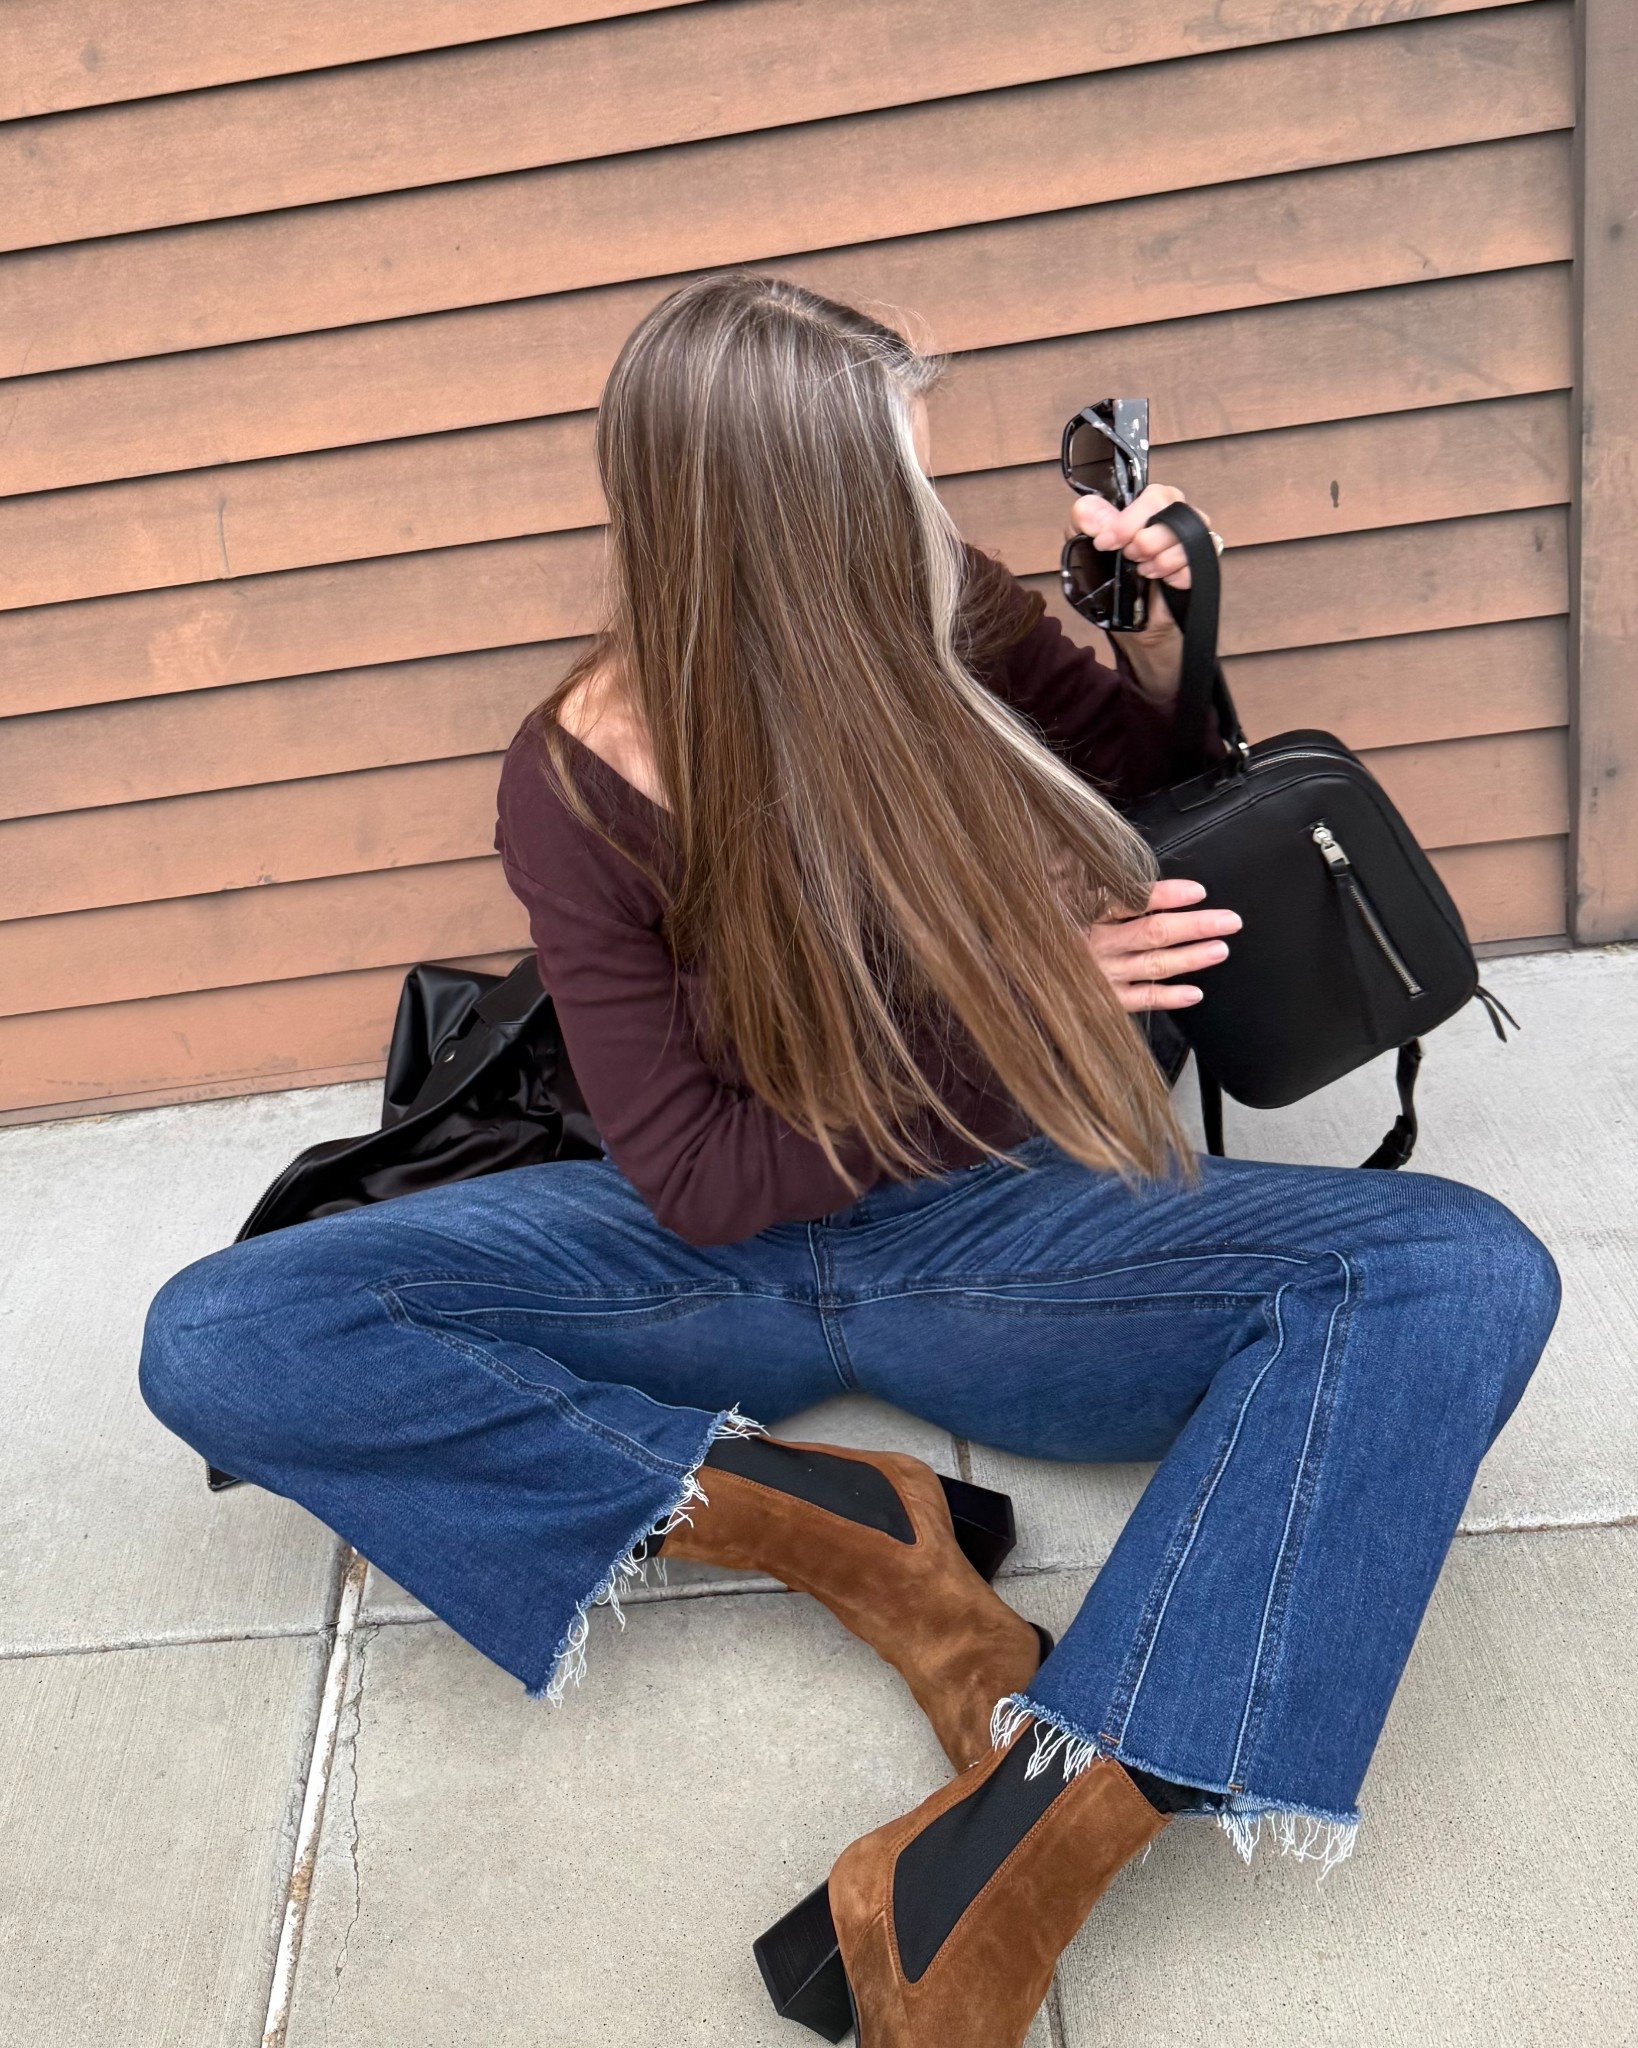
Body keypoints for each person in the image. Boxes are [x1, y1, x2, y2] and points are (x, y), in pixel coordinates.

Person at [139, 273, 1560, 2048]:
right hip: (727, 1243)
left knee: (1455, 1266)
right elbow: (704, 1179)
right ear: (766, 524)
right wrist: (1017, 1004)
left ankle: (1035, 1834)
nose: (926, 515)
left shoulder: (943, 606)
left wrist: (1171, 638)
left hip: (1008, 1236)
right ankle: (838, 1531)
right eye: (886, 482)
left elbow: (1160, 795)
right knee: (221, 1336)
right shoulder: (581, 781)